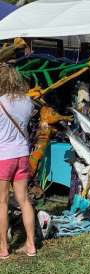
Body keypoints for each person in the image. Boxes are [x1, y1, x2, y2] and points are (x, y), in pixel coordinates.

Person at [0, 64, 36, 258]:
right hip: (22, 154)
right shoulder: (28, 102)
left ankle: (4, 248)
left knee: (2, 202)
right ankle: (31, 245)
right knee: (24, 200)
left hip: (3, 156)